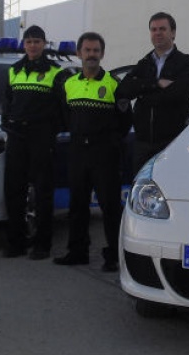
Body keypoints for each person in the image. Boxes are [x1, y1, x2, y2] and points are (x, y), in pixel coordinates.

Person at [55, 31, 132, 273]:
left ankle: (114, 256)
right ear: (79, 53)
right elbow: (65, 116)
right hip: (78, 150)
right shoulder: (69, 84)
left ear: (102, 54)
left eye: (96, 51)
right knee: (77, 205)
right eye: (87, 50)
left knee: (110, 206)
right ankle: (77, 252)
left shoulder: (113, 84)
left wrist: (110, 142)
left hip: (104, 153)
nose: (91, 55)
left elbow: (125, 119)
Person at [0, 25, 70, 259]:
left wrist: (51, 130)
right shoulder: (14, 71)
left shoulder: (55, 71)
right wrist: (7, 124)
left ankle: (42, 245)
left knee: (43, 193)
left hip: (41, 138)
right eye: (29, 41)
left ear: (44, 44)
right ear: (24, 44)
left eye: (37, 41)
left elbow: (64, 108)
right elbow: (6, 104)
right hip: (17, 137)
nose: (33, 45)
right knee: (14, 191)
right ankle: (16, 243)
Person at [115, 11, 189, 173]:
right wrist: (157, 83)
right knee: (140, 189)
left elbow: (180, 94)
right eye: (153, 30)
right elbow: (123, 90)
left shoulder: (187, 62)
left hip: (172, 142)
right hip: (143, 143)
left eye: (162, 29)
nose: (157, 33)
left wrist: (142, 91)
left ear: (173, 33)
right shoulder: (144, 63)